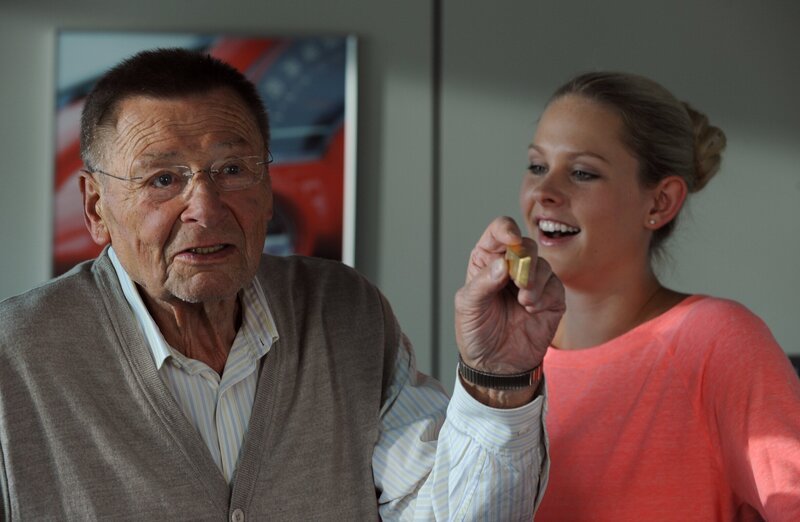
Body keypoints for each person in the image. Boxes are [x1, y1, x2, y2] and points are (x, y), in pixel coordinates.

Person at [0, 48, 565, 520]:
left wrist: (498, 375)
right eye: (163, 178)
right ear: (95, 208)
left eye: (232, 170)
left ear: (268, 187)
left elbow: (444, 512)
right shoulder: (15, 357)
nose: (205, 207)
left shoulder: (343, 311)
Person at [484, 71, 798, 520]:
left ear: (660, 203)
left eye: (582, 173)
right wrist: (492, 376)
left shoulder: (718, 342)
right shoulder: (507, 360)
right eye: (537, 166)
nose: (544, 193)